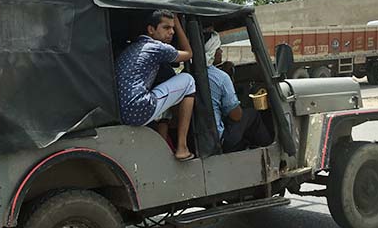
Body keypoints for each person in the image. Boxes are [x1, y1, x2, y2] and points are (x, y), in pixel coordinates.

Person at [115, 10, 196, 161]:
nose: (171, 32)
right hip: (138, 109)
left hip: (121, 113)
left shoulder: (133, 48)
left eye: (172, 28)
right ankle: (182, 148)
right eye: (166, 28)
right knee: (188, 80)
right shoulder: (157, 47)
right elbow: (188, 54)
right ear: (151, 30)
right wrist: (178, 23)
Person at [204, 31, 273, 152]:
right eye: (218, 48)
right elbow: (236, 116)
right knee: (252, 115)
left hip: (200, 138)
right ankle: (269, 148)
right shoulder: (221, 77)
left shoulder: (187, 74)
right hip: (220, 139)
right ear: (212, 51)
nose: (221, 51)